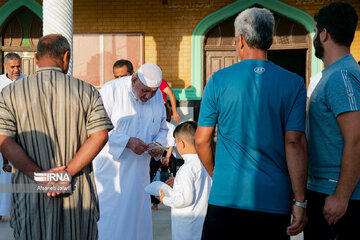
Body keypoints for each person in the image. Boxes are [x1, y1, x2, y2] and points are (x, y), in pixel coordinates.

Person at [195, 7, 308, 240]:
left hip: (227, 196)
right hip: (273, 200)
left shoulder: (218, 80)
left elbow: (201, 139)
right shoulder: (294, 83)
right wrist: (299, 200)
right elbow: (294, 142)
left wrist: (217, 174)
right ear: (270, 40)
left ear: (240, 40)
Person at [0, 34, 113, 239]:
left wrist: (39, 176)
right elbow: (100, 134)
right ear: (66, 57)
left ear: (36, 58)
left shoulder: (9, 93)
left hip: (30, 197)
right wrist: (66, 173)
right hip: (76, 196)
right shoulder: (86, 91)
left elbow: (3, 140)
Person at [93, 63, 168, 240]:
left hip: (140, 174)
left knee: (137, 222)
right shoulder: (111, 90)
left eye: (153, 92)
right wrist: (127, 142)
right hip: (111, 173)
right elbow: (97, 128)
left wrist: (158, 144)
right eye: (144, 91)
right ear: (134, 80)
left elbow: (163, 128)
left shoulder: (156, 97)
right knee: (110, 222)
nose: (148, 96)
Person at [304, 2, 360, 239]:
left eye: (317, 31)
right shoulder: (334, 74)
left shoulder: (341, 76)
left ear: (324, 33)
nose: (316, 36)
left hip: (336, 196)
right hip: (325, 191)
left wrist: (341, 196)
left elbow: (356, 137)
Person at [158, 121, 212, 240]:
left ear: (181, 143)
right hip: (202, 223)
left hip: (187, 226)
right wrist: (177, 182)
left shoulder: (186, 169)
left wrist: (164, 199)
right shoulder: (206, 163)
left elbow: (185, 199)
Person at [0, 52, 27, 221]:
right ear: (4, 67)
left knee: (21, 173)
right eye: (13, 67)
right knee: (3, 175)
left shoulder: (28, 81)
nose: (16, 70)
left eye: (18, 66)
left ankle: (20, 211)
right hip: (2, 132)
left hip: (23, 132)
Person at [150, 102, 177, 210]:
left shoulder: (170, 126)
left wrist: (167, 157)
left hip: (166, 153)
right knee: (155, 176)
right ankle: (156, 202)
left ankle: (157, 202)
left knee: (163, 176)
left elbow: (171, 144)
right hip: (159, 152)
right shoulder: (158, 126)